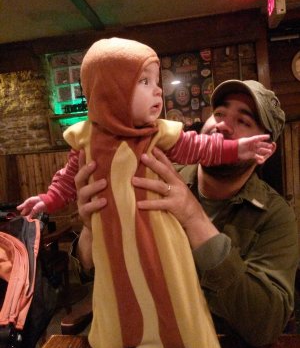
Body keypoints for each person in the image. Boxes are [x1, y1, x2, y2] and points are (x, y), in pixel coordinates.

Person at [74, 78, 299, 348]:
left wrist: (193, 217)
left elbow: (265, 324)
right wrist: (91, 228)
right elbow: (99, 274)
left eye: (244, 121)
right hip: (147, 345)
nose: (222, 125)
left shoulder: (276, 216)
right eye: (219, 113)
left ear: (265, 150)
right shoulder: (152, 178)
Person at [17, 41, 271, 218]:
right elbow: (69, 178)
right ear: (113, 94)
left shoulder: (158, 133)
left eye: (157, 81)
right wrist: (49, 200)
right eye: (145, 81)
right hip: (111, 224)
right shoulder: (86, 138)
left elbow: (200, 146)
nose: (158, 90)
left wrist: (238, 148)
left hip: (154, 222)